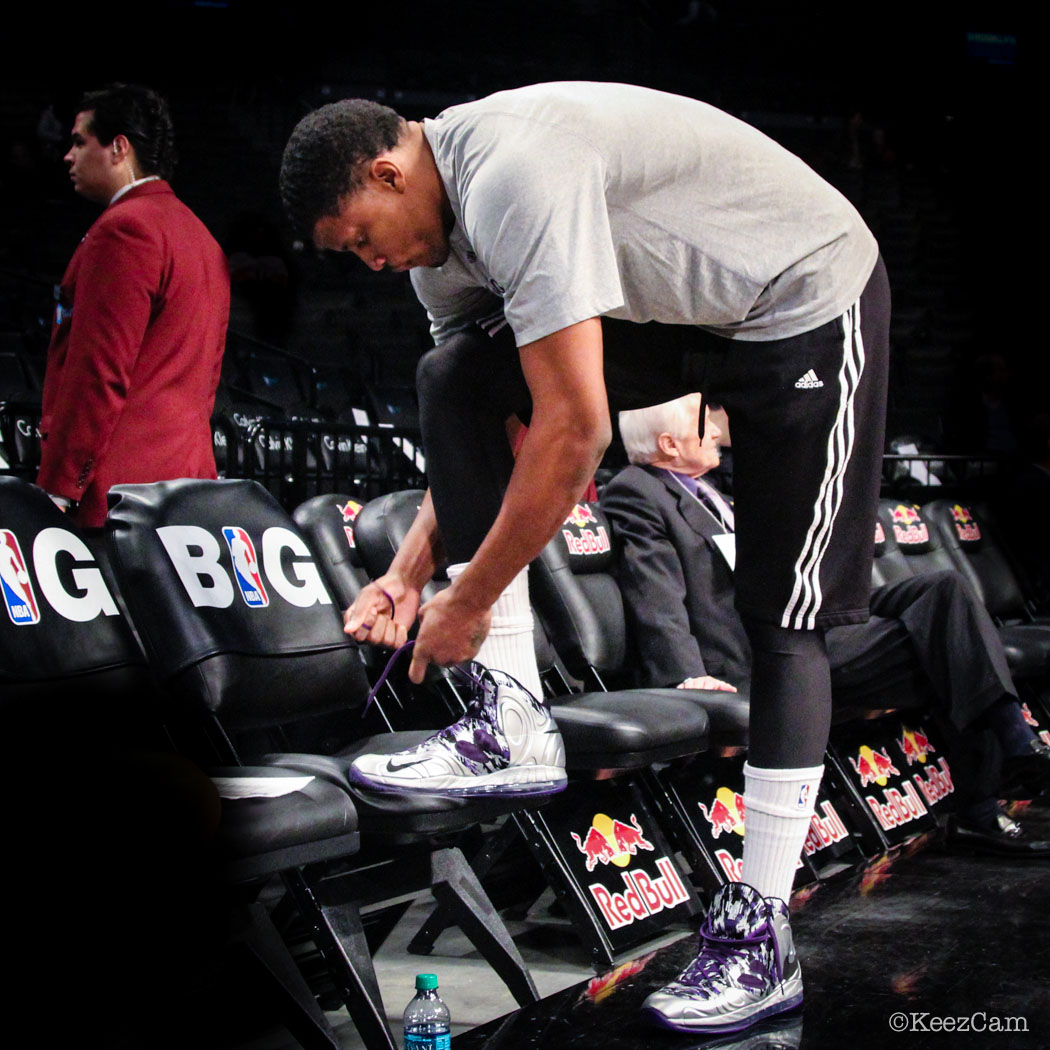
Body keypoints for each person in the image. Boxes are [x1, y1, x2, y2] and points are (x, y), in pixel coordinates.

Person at [279, 82, 892, 1034]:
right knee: (455, 375)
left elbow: (575, 431)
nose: (369, 262)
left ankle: (762, 930)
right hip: (684, 312)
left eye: (362, 236)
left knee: (782, 619)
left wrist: (469, 598)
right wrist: (408, 573)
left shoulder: (514, 171)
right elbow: (496, 428)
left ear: (389, 171)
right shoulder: (439, 256)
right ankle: (515, 719)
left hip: (801, 291)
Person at [603, 393, 1050, 854]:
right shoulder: (639, 491)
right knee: (953, 648)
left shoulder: (712, 489)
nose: (717, 431)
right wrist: (684, 675)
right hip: (762, 653)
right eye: (704, 426)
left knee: (945, 591)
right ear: (669, 444)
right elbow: (654, 593)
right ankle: (1001, 764)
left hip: (805, 619)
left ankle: (1009, 742)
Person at [36, 83, 229, 529]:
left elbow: (97, 372)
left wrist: (61, 486)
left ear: (119, 147)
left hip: (117, 496)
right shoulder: (203, 237)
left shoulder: (123, 230)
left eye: (80, 142)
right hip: (189, 489)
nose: (68, 156)